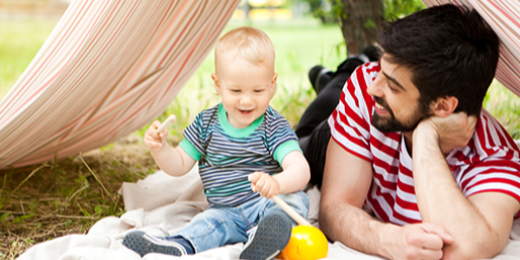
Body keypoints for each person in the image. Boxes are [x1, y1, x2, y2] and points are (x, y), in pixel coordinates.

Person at [297, 4, 520, 260]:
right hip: (337, 136)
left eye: (393, 85)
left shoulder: (493, 156)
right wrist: (388, 240)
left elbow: (468, 247)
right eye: (382, 69)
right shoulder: (367, 87)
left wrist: (426, 137)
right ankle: (343, 71)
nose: (374, 88)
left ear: (442, 107)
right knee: (300, 138)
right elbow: (334, 209)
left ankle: (339, 74)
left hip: (388, 122)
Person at [122, 26, 310, 260]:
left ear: (272, 84)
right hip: (225, 212)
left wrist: (277, 183)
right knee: (206, 225)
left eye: (258, 90)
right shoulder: (206, 124)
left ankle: (263, 240)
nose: (246, 99)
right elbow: (179, 164)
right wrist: (160, 149)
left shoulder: (273, 126)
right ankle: (178, 246)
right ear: (218, 84)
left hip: (266, 203)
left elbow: (301, 169)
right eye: (236, 90)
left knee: (294, 200)